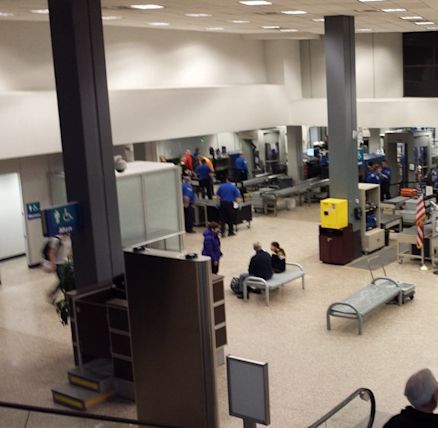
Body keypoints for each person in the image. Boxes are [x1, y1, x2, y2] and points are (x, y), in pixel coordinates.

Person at [47, 233, 72, 303]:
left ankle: (53, 294)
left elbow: (69, 250)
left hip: (66, 263)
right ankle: (54, 295)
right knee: (63, 281)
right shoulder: (56, 239)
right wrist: (53, 264)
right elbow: (51, 252)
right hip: (59, 264)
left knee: (64, 282)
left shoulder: (69, 237)